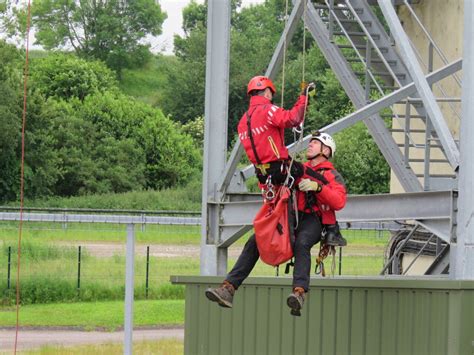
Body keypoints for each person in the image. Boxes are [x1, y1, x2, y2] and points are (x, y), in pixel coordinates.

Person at [206, 124, 347, 316]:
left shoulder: (331, 175)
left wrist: (318, 187)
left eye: (315, 143)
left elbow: (339, 201)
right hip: (290, 216)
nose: (310, 146)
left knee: (302, 243)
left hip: (312, 220)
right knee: (256, 240)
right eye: (310, 143)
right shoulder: (298, 170)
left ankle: (299, 292)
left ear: (326, 150)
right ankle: (228, 288)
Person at [237, 75, 313, 188]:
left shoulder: (243, 121)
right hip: (279, 170)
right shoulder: (268, 110)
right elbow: (293, 119)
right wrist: (304, 98)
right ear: (267, 92)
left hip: (262, 175)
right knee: (315, 178)